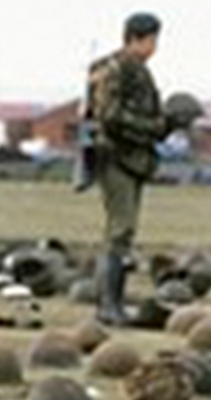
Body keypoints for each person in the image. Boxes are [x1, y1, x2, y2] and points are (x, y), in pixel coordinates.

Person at [87, 12, 172, 325]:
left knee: (125, 230)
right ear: (135, 38)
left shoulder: (137, 71)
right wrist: (151, 126)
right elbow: (110, 116)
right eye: (151, 40)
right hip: (115, 156)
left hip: (133, 157)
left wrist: (164, 124)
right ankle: (108, 305)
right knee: (119, 230)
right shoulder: (117, 69)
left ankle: (114, 303)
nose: (154, 47)